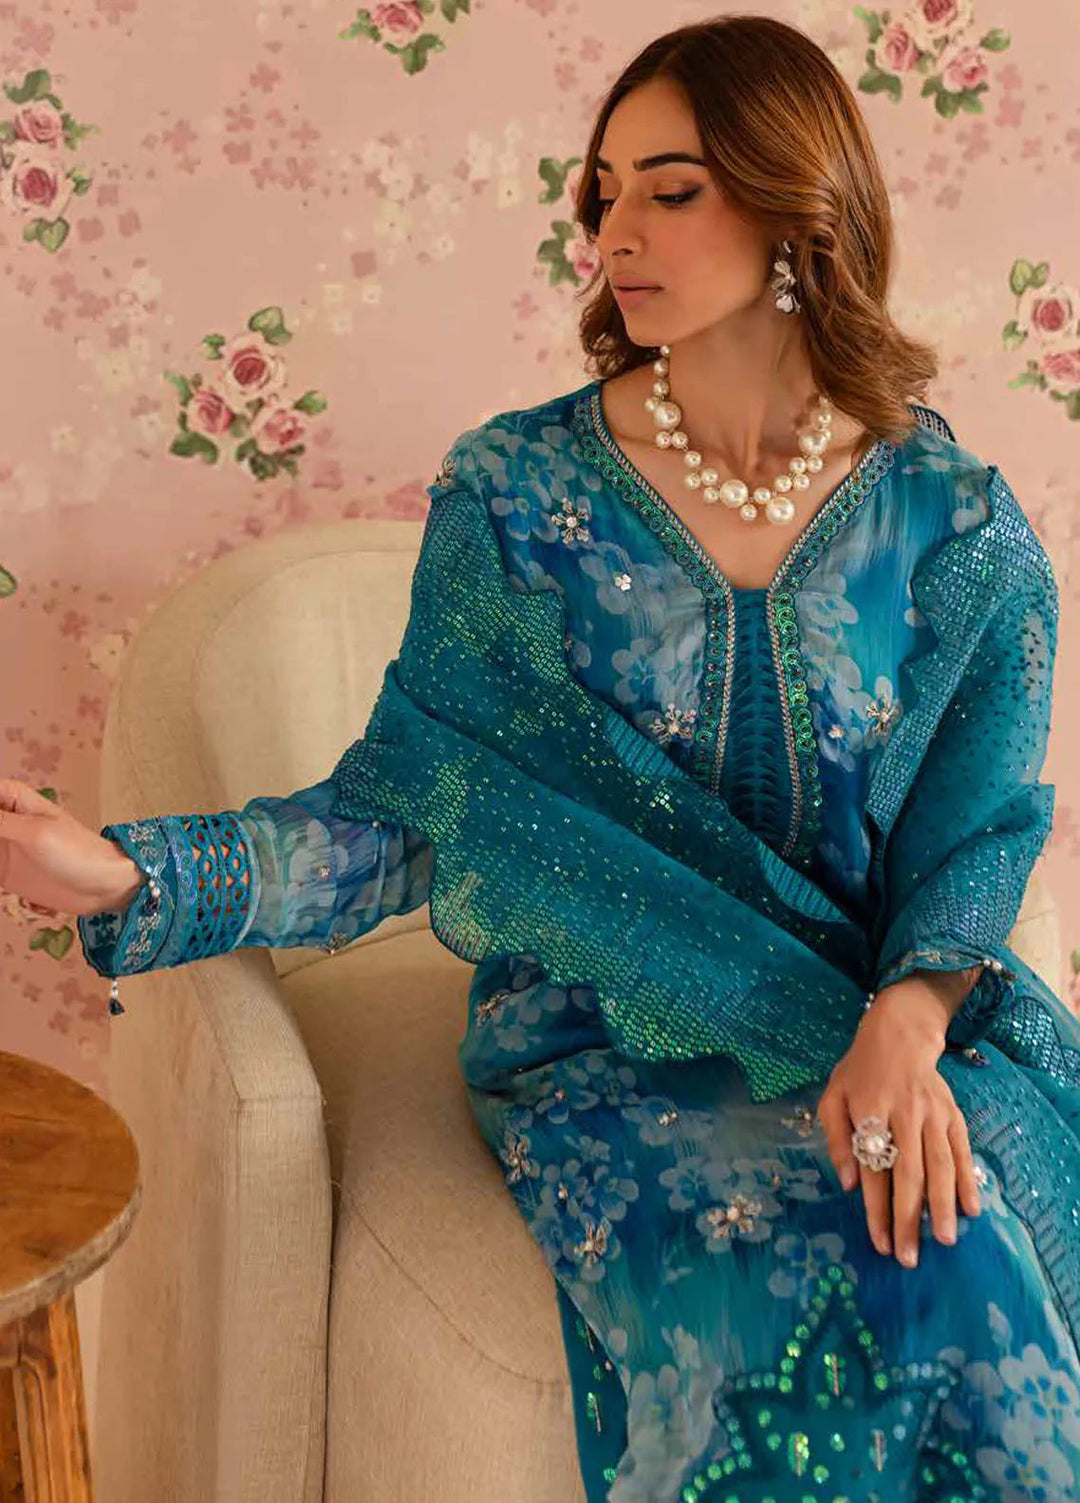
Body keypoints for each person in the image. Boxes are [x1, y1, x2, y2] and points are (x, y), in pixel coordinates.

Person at [1, 15, 1076, 1501]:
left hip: (864, 1028)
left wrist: (911, 1015)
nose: (614, 234)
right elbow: (414, 815)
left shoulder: (952, 522)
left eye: (671, 191)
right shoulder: (521, 497)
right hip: (609, 1048)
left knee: (959, 1261)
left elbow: (979, 829)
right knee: (834, 1289)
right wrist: (131, 872)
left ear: (798, 209)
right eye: (603, 192)